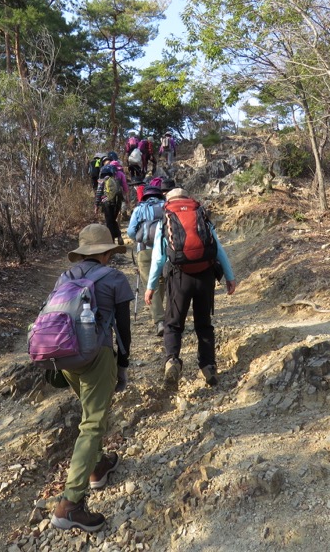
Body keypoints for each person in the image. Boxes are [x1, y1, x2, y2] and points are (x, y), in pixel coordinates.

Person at [50, 224, 133, 532]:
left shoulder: (64, 277)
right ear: (107, 252)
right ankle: (70, 504)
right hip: (96, 356)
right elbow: (123, 330)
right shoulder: (114, 278)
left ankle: (98, 465)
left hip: (64, 355)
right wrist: (122, 365)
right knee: (93, 423)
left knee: (89, 410)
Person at [144, 188, 237, 387]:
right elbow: (218, 249)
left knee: (173, 323)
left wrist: (151, 286)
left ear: (168, 200)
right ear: (187, 198)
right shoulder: (199, 214)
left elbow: (159, 258)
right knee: (204, 324)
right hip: (205, 276)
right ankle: (208, 366)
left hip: (179, 277)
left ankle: (172, 361)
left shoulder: (167, 216)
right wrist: (230, 277)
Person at [127, 184, 167, 337]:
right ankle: (161, 313)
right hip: (164, 250)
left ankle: (159, 320)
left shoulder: (139, 209)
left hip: (145, 250)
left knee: (150, 283)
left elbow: (131, 232)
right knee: (161, 280)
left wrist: (138, 237)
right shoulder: (166, 206)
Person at [95, 165, 125, 245]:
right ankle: (119, 236)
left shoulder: (102, 180)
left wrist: (96, 205)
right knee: (112, 220)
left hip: (107, 203)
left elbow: (98, 193)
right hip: (117, 203)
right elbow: (121, 193)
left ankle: (111, 241)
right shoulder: (116, 180)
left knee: (109, 222)